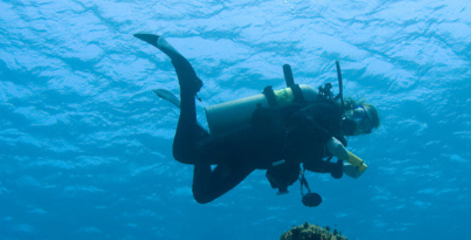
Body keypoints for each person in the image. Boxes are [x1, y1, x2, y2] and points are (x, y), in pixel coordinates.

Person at [135, 34, 379, 206]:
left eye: (364, 126)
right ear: (351, 107)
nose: (358, 123)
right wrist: (330, 140)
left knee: (203, 193)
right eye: (360, 114)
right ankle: (187, 81)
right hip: (259, 136)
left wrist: (339, 168)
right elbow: (300, 116)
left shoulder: (337, 144)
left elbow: (309, 162)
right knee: (184, 153)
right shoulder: (329, 110)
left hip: (256, 158)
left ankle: (201, 136)